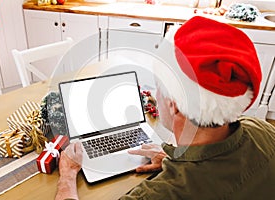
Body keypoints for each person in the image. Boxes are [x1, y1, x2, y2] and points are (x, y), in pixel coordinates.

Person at [55, 16, 275, 200]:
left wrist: (67, 174)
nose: (154, 95)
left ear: (174, 105)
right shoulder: (263, 130)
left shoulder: (159, 194)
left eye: (157, 86)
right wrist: (170, 158)